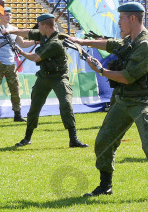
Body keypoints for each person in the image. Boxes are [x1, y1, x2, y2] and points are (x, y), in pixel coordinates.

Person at [71, 2, 148, 200]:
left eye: (121, 18)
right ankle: (105, 185)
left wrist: (101, 71)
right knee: (103, 141)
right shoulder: (131, 40)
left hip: (142, 101)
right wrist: (82, 43)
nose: (118, 23)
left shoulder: (146, 45)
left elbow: (127, 76)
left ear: (133, 19)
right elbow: (112, 44)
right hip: (122, 100)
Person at [7, 14, 88, 148]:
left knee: (66, 104)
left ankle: (73, 139)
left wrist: (20, 51)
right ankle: (27, 138)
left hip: (58, 78)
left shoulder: (55, 42)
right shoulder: (44, 35)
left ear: (45, 26)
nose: (37, 28)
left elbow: (36, 57)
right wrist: (11, 31)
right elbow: (28, 32)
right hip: (44, 77)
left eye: (39, 25)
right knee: (35, 107)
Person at [0, 7, 31, 124]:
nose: (9, 17)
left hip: (11, 64)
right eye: (6, 15)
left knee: (15, 89)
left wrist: (36, 42)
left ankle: (17, 114)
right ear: (0, 15)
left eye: (10, 15)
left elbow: (22, 44)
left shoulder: (14, 29)